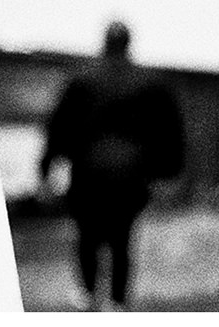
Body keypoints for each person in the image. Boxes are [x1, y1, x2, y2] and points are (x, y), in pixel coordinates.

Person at [40, 22, 186, 311]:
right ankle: (118, 302)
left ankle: (88, 296)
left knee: (87, 235)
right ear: (129, 43)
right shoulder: (151, 83)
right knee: (122, 238)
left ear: (104, 42)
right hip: (130, 176)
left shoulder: (81, 79)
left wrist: (47, 167)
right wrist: (169, 172)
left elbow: (59, 127)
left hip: (88, 173)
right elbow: (170, 131)